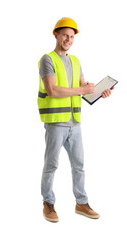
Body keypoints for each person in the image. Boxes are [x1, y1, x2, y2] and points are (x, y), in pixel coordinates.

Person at [38, 17, 113, 223]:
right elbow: (52, 89)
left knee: (79, 165)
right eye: (65, 35)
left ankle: (81, 203)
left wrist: (99, 92)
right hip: (56, 123)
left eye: (71, 36)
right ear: (56, 35)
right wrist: (83, 89)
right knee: (51, 165)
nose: (68, 39)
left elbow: (84, 93)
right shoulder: (47, 60)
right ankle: (48, 202)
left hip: (75, 123)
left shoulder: (76, 61)